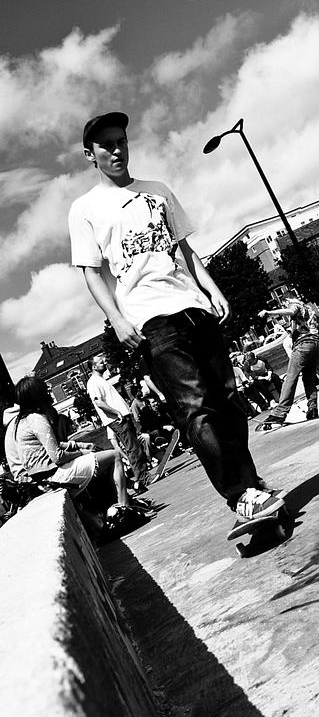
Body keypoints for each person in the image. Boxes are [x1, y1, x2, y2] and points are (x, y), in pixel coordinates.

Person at [68, 111, 281, 524]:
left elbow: (184, 249)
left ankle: (250, 484)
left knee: (229, 398)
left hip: (194, 306)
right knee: (196, 406)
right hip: (151, 320)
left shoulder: (158, 190)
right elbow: (91, 273)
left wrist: (212, 288)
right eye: (106, 145)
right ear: (90, 155)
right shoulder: (85, 209)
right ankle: (239, 495)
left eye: (121, 141)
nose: (116, 149)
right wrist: (117, 319)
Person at [13, 376, 132, 507]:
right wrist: (81, 452)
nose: (48, 393)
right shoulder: (36, 419)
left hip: (41, 479)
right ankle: (124, 506)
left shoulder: (22, 422)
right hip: (54, 477)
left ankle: (113, 504)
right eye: (45, 391)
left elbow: (53, 446)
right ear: (37, 395)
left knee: (101, 457)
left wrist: (78, 446)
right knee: (115, 455)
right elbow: (58, 456)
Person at [87, 354, 150, 490]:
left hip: (121, 417)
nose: (104, 362)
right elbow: (98, 402)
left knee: (135, 446)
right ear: (93, 366)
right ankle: (143, 477)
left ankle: (143, 475)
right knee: (132, 447)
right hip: (116, 419)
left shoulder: (101, 380)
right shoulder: (93, 382)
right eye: (100, 361)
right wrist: (116, 412)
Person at [258, 297, 319, 425]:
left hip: (303, 344)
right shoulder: (308, 309)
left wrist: (269, 312)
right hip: (316, 344)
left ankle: (279, 413)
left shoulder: (295, 305)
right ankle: (312, 408)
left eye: (284, 303)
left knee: (291, 378)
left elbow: (291, 311)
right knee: (309, 379)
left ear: (286, 300)